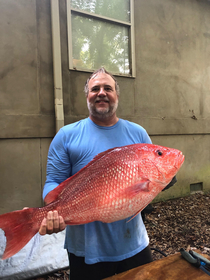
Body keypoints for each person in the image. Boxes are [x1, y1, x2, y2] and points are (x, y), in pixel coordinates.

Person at [40, 67, 174, 280]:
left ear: (116, 95)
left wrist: (162, 181)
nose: (101, 92)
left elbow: (144, 189)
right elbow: (53, 182)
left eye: (108, 88)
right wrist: (52, 213)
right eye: (95, 89)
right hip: (84, 249)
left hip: (133, 244)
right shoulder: (67, 136)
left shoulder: (137, 133)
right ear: (87, 96)